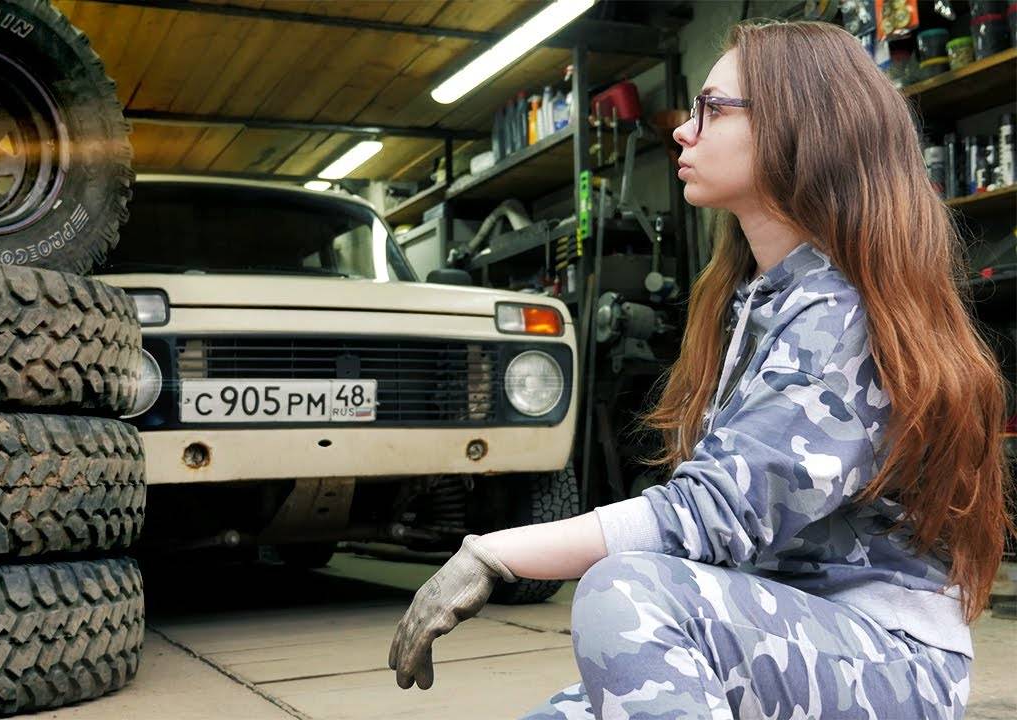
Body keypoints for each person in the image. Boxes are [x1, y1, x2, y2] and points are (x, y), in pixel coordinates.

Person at [388, 18, 1014, 719]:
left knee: (627, 596)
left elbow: (712, 514)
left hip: (884, 660)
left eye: (713, 109)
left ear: (799, 128)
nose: (685, 132)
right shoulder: (761, 299)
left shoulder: (839, 310)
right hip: (780, 633)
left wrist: (492, 553)